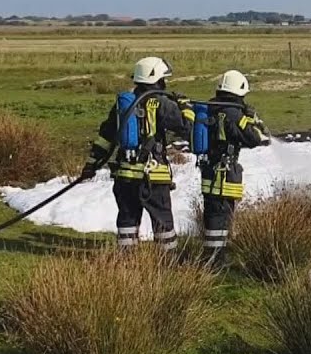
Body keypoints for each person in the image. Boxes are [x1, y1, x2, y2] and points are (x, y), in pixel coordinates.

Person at [82, 57, 194, 252]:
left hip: (125, 176)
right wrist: (185, 106)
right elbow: (187, 128)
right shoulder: (162, 103)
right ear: (157, 79)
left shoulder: (124, 104)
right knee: (163, 225)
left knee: (127, 222)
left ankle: (127, 261)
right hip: (153, 177)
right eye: (163, 79)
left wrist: (91, 165)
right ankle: (168, 261)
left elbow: (105, 138)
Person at [195, 70, 270, 266]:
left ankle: (214, 257)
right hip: (223, 176)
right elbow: (254, 138)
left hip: (209, 173)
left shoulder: (210, 108)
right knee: (221, 217)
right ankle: (215, 261)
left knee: (213, 215)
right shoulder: (233, 113)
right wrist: (252, 118)